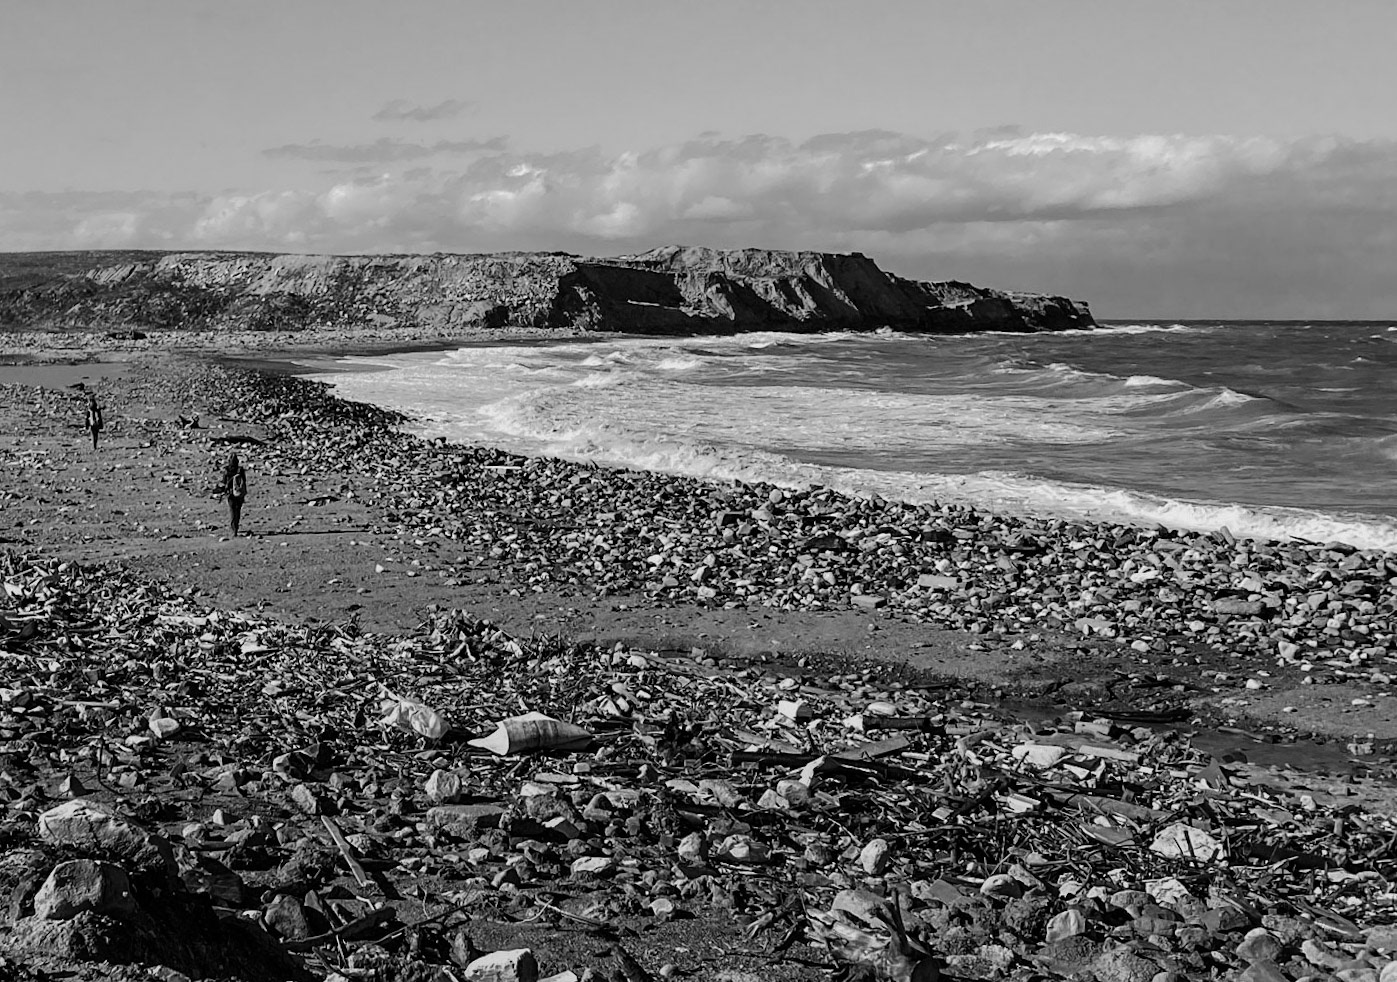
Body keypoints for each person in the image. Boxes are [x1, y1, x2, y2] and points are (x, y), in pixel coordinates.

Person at [218, 453, 248, 537]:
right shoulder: (240, 470)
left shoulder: (226, 470)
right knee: (238, 510)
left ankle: (233, 529)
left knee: (232, 510)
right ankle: (236, 527)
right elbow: (244, 481)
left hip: (230, 493)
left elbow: (224, 482)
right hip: (239, 493)